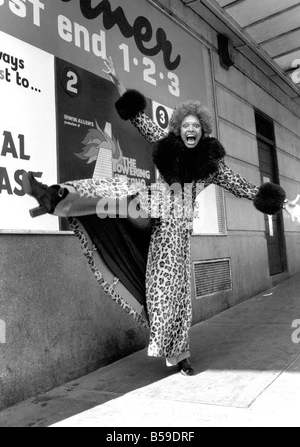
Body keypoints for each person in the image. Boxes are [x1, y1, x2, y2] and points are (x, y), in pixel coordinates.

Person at [22, 58, 300, 376]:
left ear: (202, 131)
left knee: (173, 295)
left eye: (196, 126)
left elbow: (244, 187)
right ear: (179, 129)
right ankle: (55, 195)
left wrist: (282, 205)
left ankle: (179, 354)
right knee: (116, 188)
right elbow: (140, 120)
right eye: (186, 126)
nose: (191, 130)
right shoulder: (166, 146)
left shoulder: (212, 165)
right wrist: (118, 81)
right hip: (150, 210)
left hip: (176, 232)